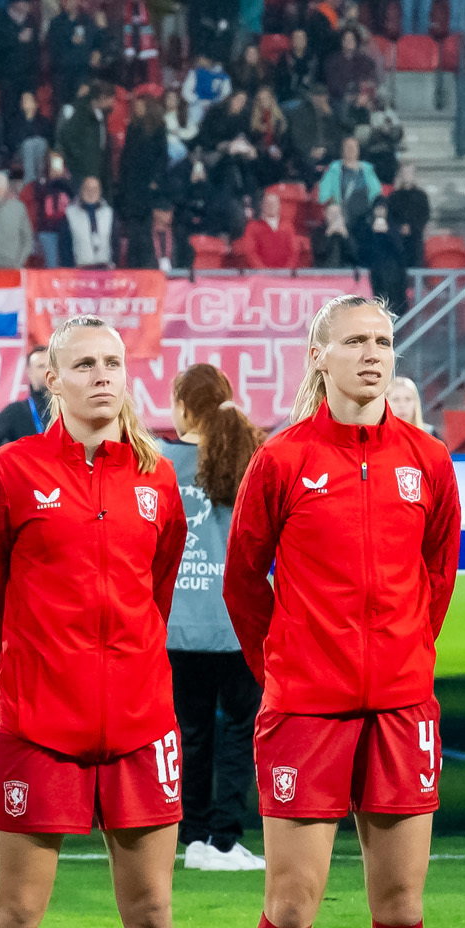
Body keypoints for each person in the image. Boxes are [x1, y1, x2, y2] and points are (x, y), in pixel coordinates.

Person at [0, 313, 215, 928]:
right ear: (54, 381)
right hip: (39, 726)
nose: (103, 375)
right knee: (15, 914)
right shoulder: (9, 471)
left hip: (140, 724)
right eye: (85, 364)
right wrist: (24, 681)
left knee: (153, 913)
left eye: (113, 362)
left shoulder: (156, 476)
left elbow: (157, 589)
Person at [220, 294, 465, 928]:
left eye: (384, 340)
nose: (373, 353)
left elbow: (436, 580)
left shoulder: (427, 461)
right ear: (318, 355)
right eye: (355, 340)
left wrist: (404, 658)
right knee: (293, 901)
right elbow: (243, 581)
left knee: (400, 902)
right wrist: (285, 671)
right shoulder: (282, 460)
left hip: (401, 709)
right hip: (306, 711)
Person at [165, 362, 262, 873]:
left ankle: (195, 838)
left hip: (178, 623)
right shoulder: (252, 455)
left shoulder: (159, 462)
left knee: (191, 733)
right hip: (236, 624)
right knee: (238, 733)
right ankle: (225, 840)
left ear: (183, 407)